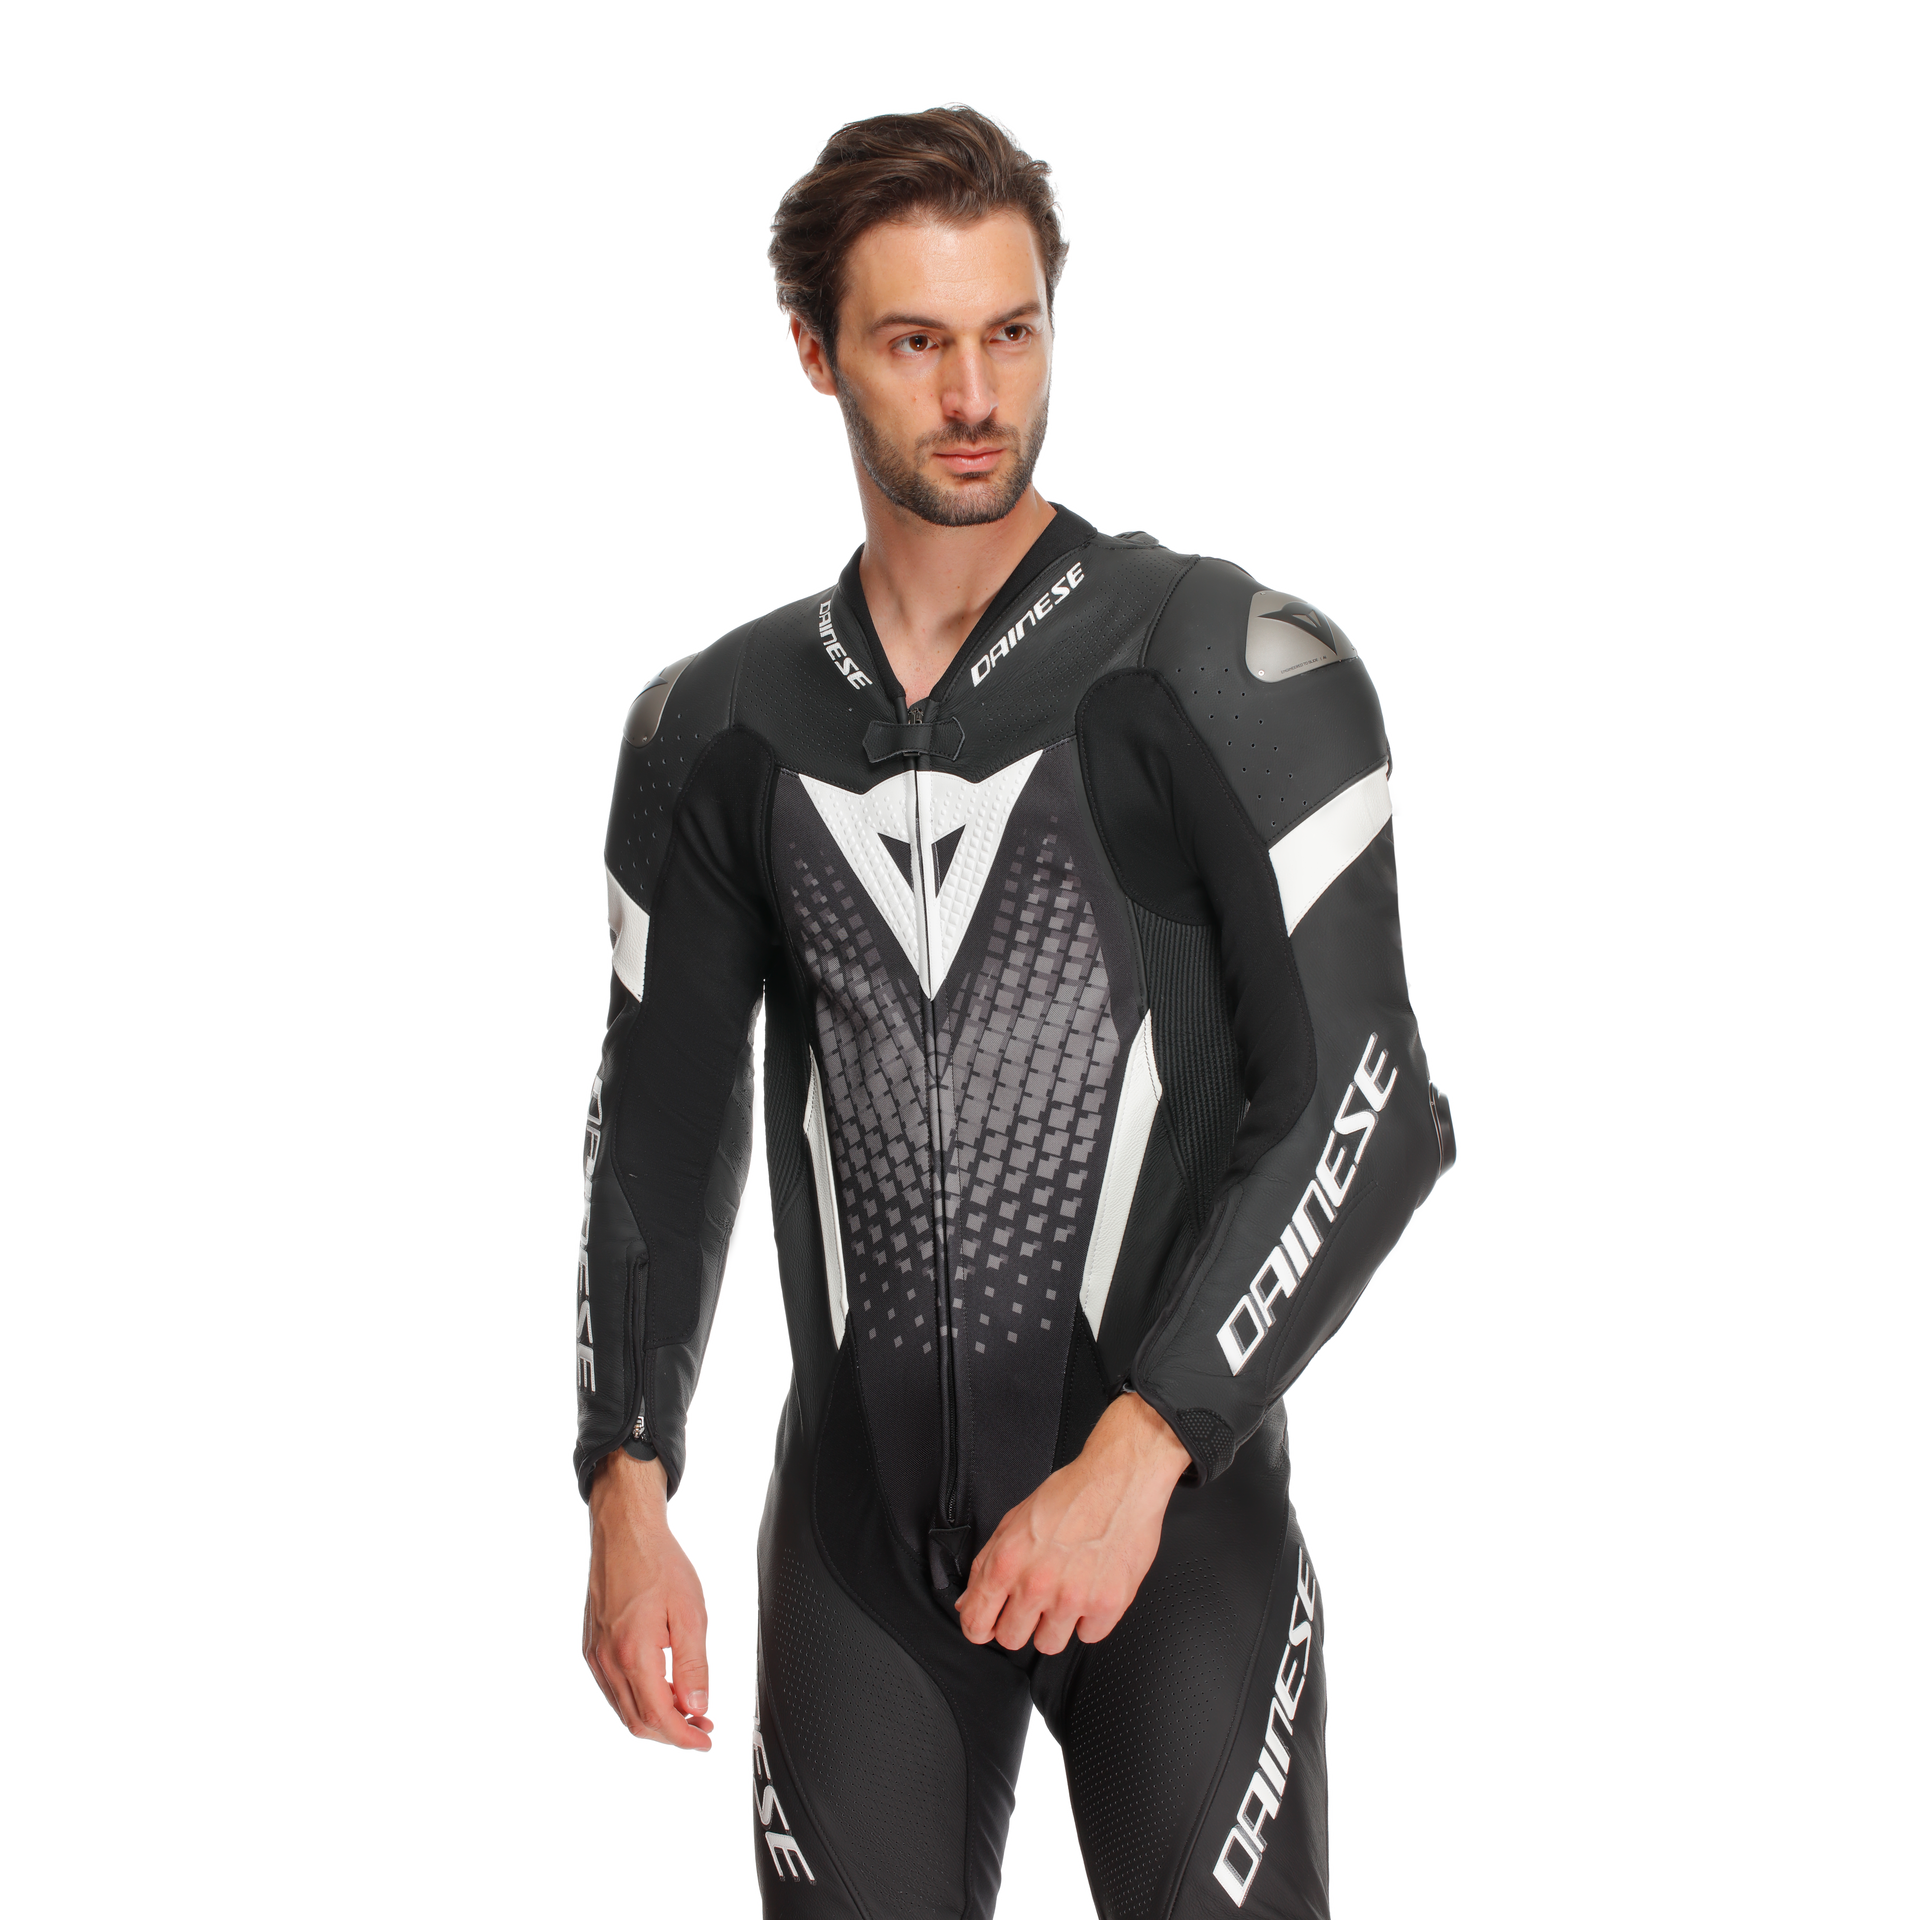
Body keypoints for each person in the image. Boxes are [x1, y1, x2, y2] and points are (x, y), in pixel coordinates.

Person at [575, 105, 1453, 1920]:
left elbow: (1366, 1105)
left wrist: (1144, 1454)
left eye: (1013, 331)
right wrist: (625, 1491)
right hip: (857, 1560)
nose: (976, 394)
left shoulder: (1222, 668)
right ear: (814, 351)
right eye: (916, 341)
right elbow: (658, 1124)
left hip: (1171, 1537)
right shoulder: (718, 731)